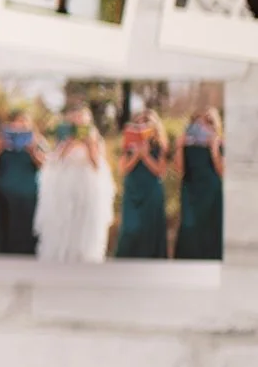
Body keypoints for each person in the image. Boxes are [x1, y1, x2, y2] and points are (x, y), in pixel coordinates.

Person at [36, 103, 116, 263]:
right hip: (66, 186)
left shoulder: (95, 139)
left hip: (88, 187)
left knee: (85, 224)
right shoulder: (63, 138)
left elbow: (97, 165)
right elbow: (56, 163)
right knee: (66, 223)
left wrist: (90, 144)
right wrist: (69, 143)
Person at [0, 109, 45, 255]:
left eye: (23, 124)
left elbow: (45, 166)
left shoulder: (37, 140)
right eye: (16, 123)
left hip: (26, 197)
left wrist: (33, 150)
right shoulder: (0, 139)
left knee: (23, 234)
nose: (19, 126)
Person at [113, 111, 172, 259]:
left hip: (151, 192)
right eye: (138, 123)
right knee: (129, 230)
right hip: (132, 192)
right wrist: (135, 156)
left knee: (150, 232)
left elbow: (160, 172)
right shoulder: (129, 145)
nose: (141, 126)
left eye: (145, 123)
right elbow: (122, 169)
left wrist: (145, 156)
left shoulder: (160, 145)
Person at [178, 108, 225, 260]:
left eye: (210, 121)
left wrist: (214, 149)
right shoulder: (187, 143)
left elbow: (222, 171)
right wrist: (179, 146)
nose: (204, 125)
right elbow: (179, 169)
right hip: (190, 190)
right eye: (201, 120)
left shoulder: (220, 143)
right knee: (189, 229)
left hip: (212, 193)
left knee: (210, 231)